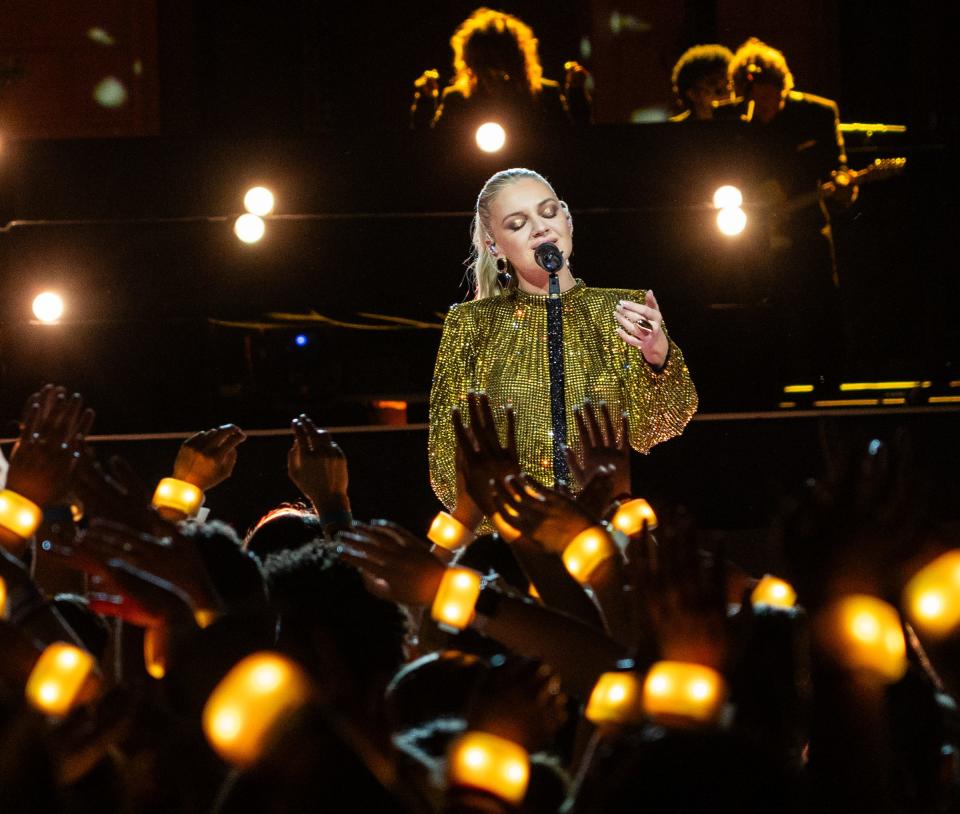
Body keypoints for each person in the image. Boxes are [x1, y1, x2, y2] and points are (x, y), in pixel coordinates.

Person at [427, 168, 698, 521]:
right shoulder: (472, 323)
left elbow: (658, 429)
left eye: (548, 211)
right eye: (517, 223)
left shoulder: (621, 311)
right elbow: (448, 458)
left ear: (567, 219)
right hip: (511, 540)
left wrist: (658, 359)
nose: (540, 227)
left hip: (599, 538)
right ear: (494, 245)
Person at [717, 37, 853, 384]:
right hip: (754, 236)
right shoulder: (733, 124)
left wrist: (842, 186)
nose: (765, 106)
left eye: (770, 96)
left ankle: (829, 383)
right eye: (756, 98)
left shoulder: (817, 114)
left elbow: (836, 169)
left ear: (783, 87)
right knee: (765, 309)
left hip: (808, 228)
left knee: (820, 305)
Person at [411, 8, 590, 131]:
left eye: (500, 62)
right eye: (486, 63)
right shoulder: (456, 100)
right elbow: (430, 147)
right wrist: (426, 101)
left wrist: (576, 93)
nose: (494, 72)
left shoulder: (546, 94)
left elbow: (575, 142)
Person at [668, 43, 734, 122]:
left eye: (730, 84)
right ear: (693, 94)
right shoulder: (672, 131)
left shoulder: (741, 123)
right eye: (718, 90)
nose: (728, 96)